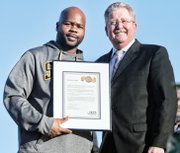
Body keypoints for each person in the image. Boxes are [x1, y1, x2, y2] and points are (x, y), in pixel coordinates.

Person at [3, 6, 98, 153]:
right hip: (40, 149)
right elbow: (12, 96)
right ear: (57, 26)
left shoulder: (90, 71)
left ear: (84, 31)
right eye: (68, 24)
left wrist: (94, 148)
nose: (74, 29)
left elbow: (93, 116)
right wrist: (44, 123)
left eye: (79, 26)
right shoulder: (35, 57)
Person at [96, 2, 177, 153]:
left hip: (142, 145)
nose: (119, 26)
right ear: (106, 30)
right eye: (112, 22)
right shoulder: (98, 64)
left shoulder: (154, 54)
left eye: (124, 21)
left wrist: (160, 143)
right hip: (107, 146)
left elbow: (166, 100)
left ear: (134, 26)